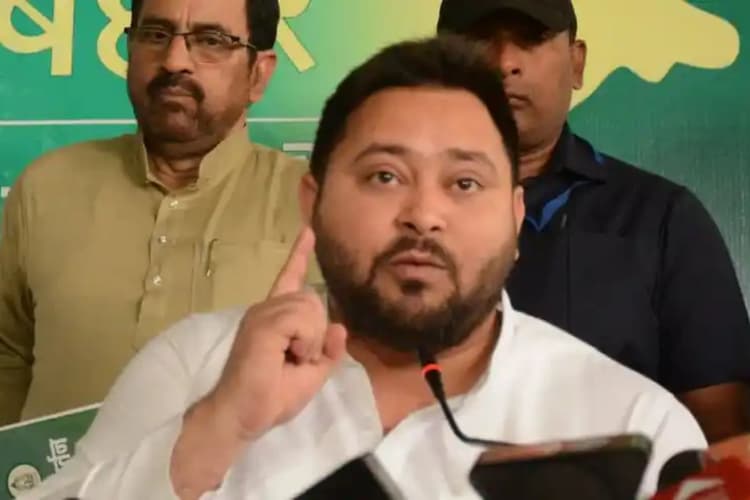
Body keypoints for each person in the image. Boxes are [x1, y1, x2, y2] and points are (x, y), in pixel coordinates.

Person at [28, 36, 705, 500]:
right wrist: (217, 428)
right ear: (312, 201)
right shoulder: (196, 365)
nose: (424, 215)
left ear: (513, 215)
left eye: (465, 183)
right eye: (385, 175)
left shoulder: (635, 424)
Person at [437, 0, 750, 442]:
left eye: (531, 39)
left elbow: (722, 433)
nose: (505, 62)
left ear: (577, 62)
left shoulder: (661, 218)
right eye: (479, 40)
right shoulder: (392, 221)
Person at [0, 0, 314, 424]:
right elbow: (9, 354)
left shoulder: (312, 205)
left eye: (210, 40)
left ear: (258, 73)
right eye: (155, 35)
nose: (174, 61)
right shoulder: (47, 185)